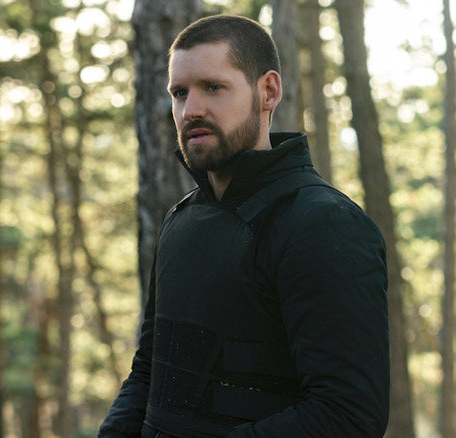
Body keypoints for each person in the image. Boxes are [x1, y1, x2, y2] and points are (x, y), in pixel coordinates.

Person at [98, 15, 389, 437]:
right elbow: (148, 371)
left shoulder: (325, 224)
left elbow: (347, 415)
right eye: (179, 93)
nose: (190, 110)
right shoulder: (180, 220)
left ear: (267, 91)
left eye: (213, 87)